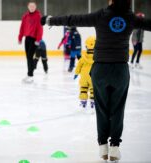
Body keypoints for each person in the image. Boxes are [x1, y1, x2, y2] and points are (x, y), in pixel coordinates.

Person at [41, 0, 151, 161]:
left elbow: (73, 19)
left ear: (111, 1)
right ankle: (114, 147)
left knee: (102, 110)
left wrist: (50, 20)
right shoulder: (131, 18)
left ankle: (103, 147)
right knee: (117, 110)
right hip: (120, 70)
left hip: (100, 69)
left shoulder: (101, 15)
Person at [18, 0, 43, 83]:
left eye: (33, 6)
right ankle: (29, 74)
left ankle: (31, 75)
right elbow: (22, 27)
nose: (32, 7)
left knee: (29, 57)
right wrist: (20, 37)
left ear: (35, 7)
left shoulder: (38, 16)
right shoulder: (25, 16)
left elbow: (40, 29)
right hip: (27, 39)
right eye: (30, 6)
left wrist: (38, 39)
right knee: (28, 57)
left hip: (34, 39)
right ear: (28, 7)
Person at [74, 36, 95, 113]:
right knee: (93, 90)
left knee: (83, 89)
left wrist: (76, 73)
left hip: (84, 76)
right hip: (93, 76)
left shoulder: (83, 57)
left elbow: (79, 65)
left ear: (86, 46)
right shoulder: (98, 57)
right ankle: (93, 103)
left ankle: (83, 103)